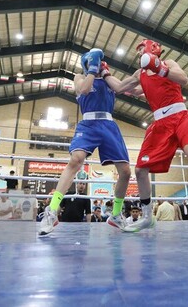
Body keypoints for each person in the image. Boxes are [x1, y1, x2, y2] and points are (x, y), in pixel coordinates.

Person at [112, 39, 188, 234]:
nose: (139, 52)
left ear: (153, 48)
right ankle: (148, 216)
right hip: (160, 123)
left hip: (180, 116)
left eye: (141, 48)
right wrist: (102, 72)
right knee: (141, 170)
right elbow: (120, 87)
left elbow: (184, 79)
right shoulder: (139, 74)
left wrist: (159, 68)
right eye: (138, 50)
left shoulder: (169, 63)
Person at [38, 48, 132, 235]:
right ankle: (52, 211)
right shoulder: (79, 77)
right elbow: (84, 89)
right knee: (76, 160)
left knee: (126, 172)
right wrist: (92, 69)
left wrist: (144, 75)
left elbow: (129, 88)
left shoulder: (109, 80)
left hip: (108, 124)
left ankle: (115, 215)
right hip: (88, 124)